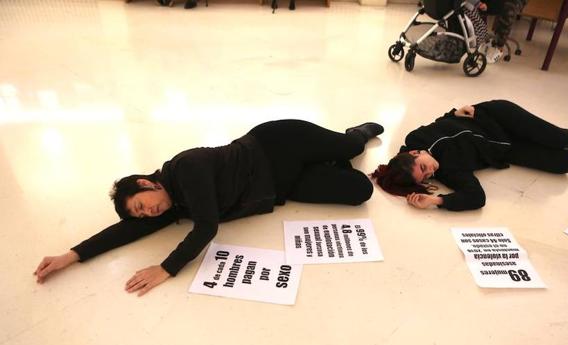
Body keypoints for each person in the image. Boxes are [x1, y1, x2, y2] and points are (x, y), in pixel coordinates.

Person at [34, 120, 383, 295]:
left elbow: (206, 226)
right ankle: (328, 166)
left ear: (146, 183)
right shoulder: (169, 204)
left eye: (143, 205)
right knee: (360, 190)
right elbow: (126, 229)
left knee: (350, 148)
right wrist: (72, 255)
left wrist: (168, 268)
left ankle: (351, 135)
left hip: (280, 143)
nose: (149, 213)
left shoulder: (186, 168)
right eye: (142, 214)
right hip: (282, 187)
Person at [371, 100, 568, 211]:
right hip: (506, 147)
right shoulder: (449, 172)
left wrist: (454, 111)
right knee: (566, 163)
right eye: (425, 178)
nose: (431, 172)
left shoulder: (415, 138)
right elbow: (476, 197)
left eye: (423, 167)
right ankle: (555, 139)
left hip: (493, 116)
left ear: (415, 153)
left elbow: (442, 122)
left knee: (558, 140)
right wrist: (437, 201)